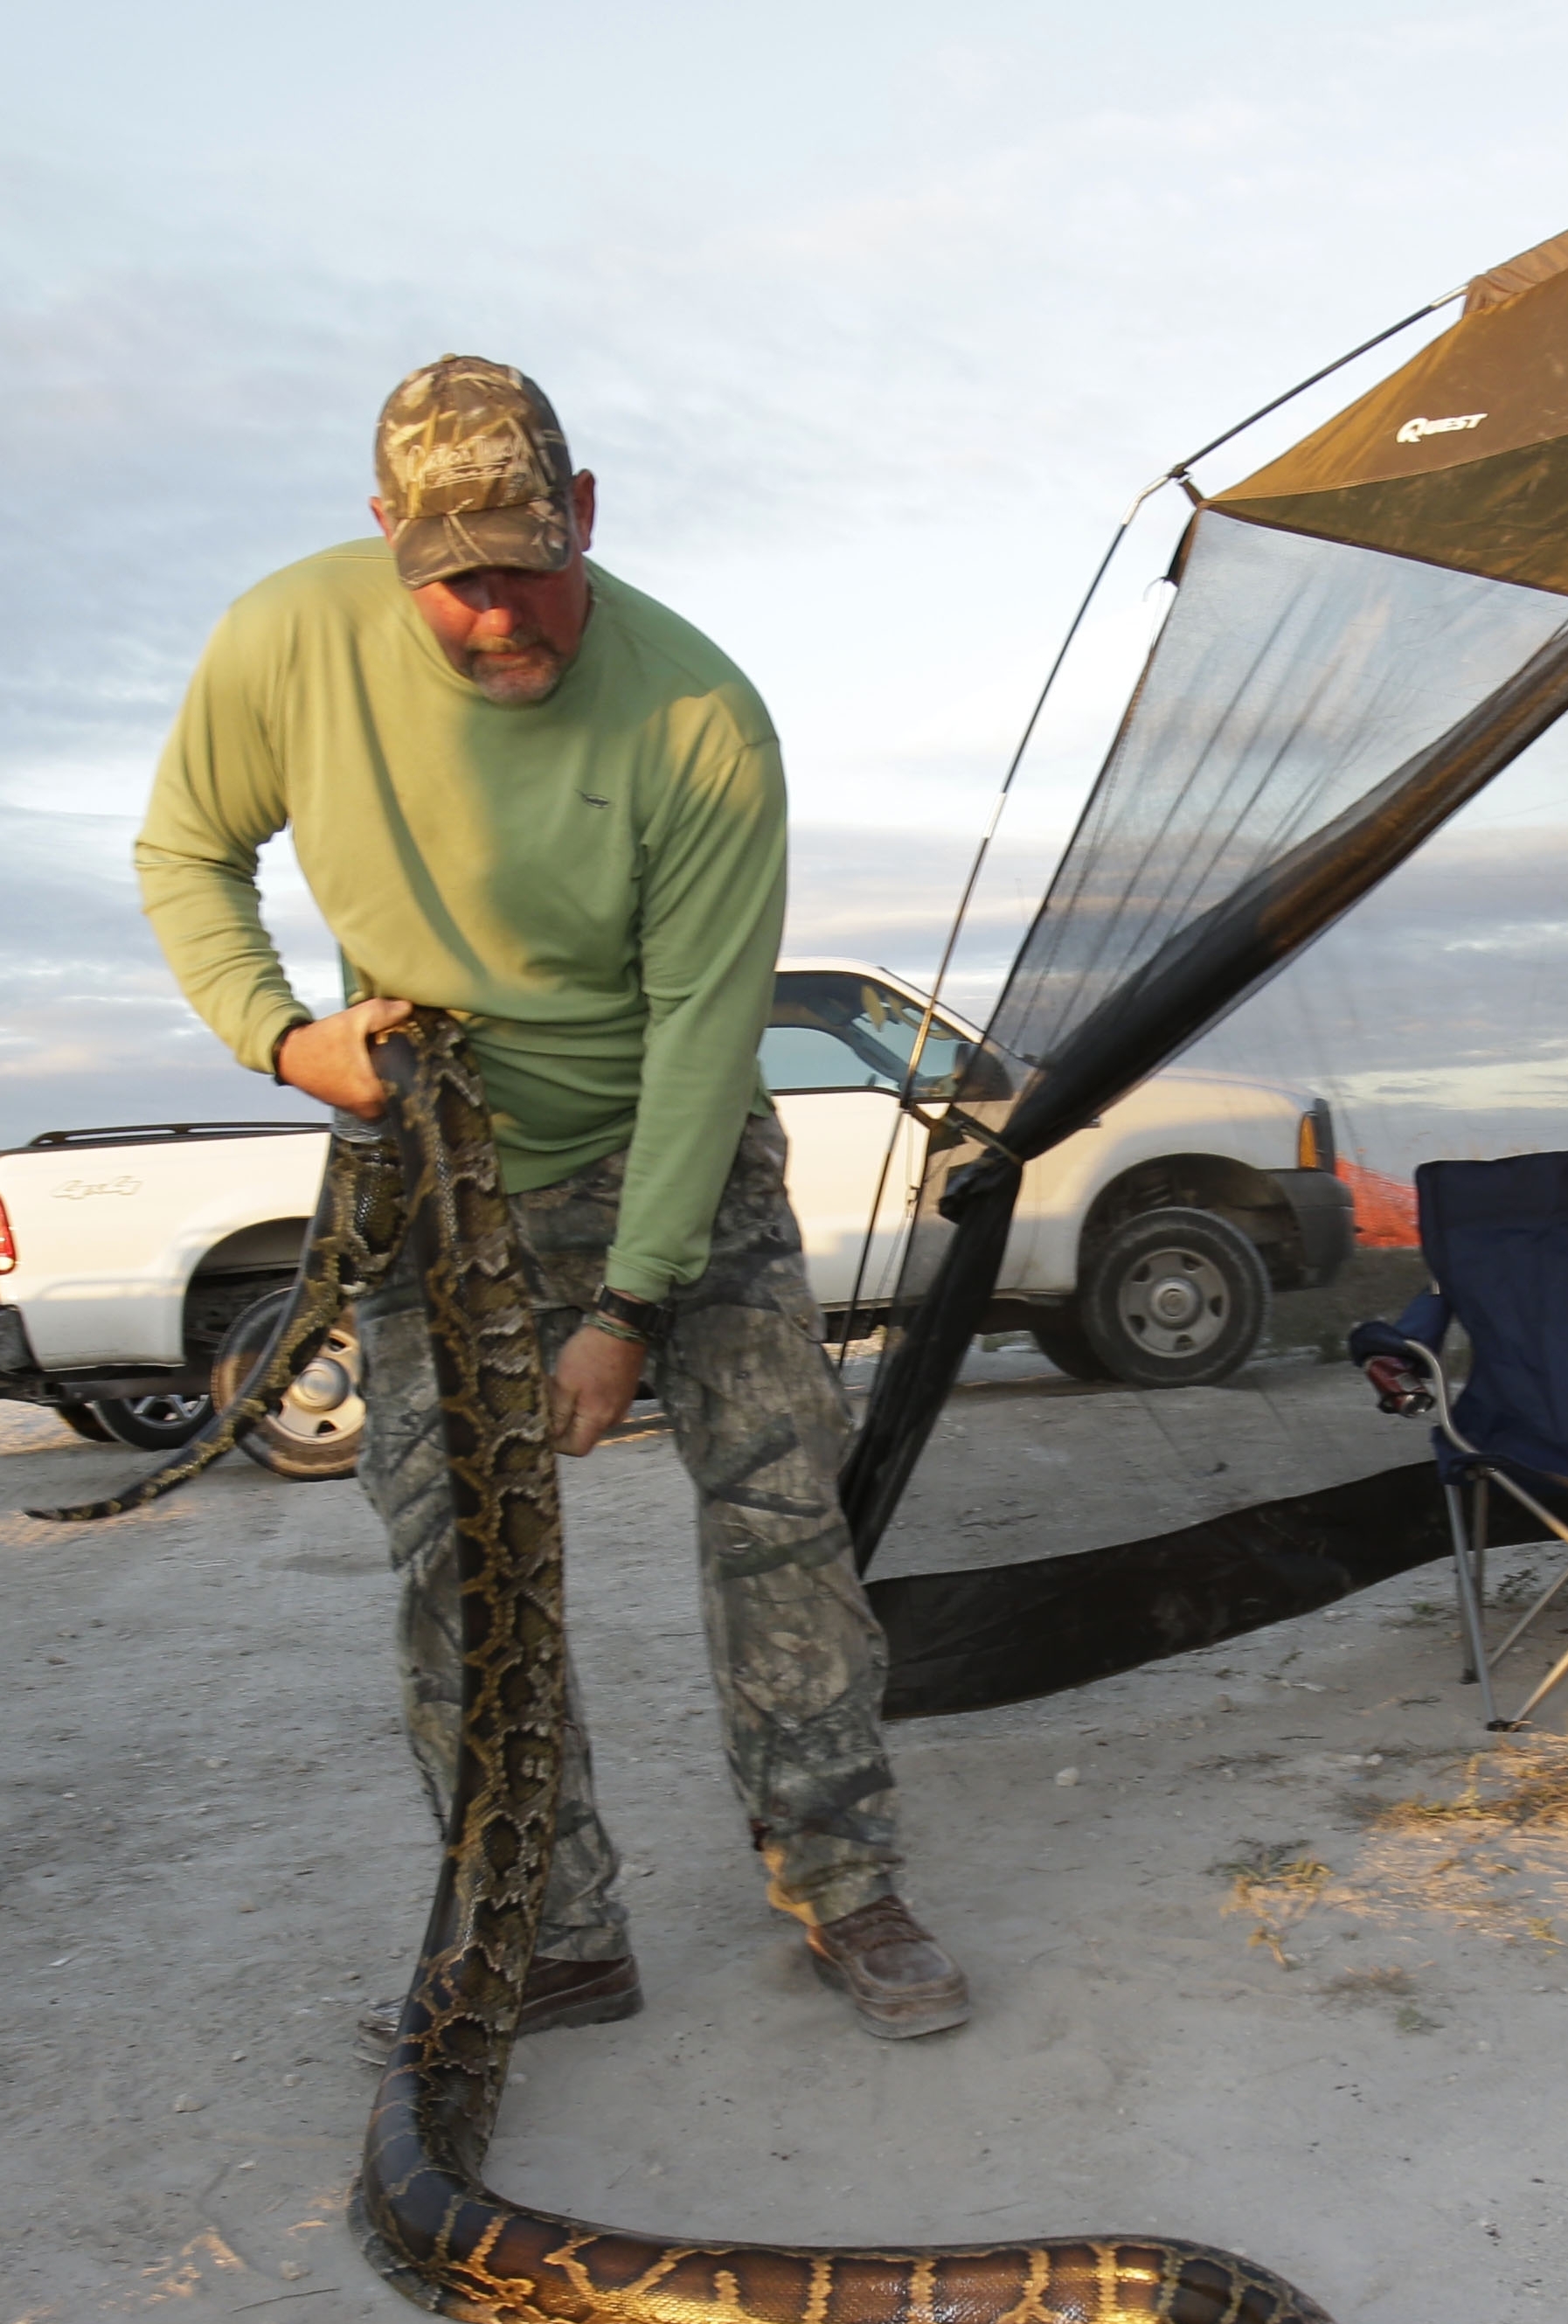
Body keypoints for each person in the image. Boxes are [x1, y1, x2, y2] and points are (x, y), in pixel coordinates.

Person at [135, 355, 970, 2045]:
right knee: (455, 1556)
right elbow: (185, 851)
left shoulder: (699, 716)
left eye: (528, 563)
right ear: (385, 542)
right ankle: (549, 1928)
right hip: (426, 1171)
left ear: (584, 514)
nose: (494, 614)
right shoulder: (283, 643)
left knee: (775, 1505)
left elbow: (699, 1029)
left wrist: (629, 1307)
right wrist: (281, 1034)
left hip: (673, 1147)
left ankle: (841, 1875)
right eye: (452, 579)